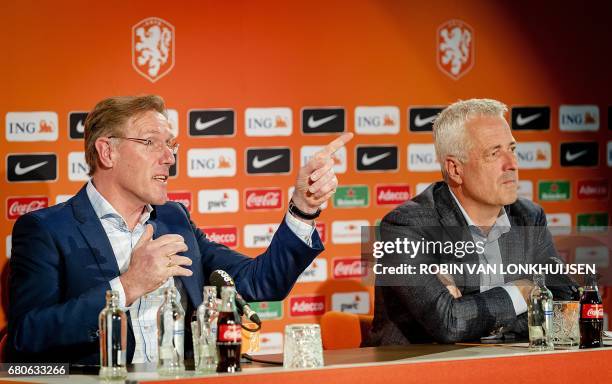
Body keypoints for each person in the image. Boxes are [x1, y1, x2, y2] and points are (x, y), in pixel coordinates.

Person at [7, 95, 352, 364]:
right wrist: (127, 287)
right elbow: (27, 336)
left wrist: (302, 209)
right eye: (151, 143)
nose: (170, 158)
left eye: (172, 146)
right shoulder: (46, 230)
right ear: (107, 151)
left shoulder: (174, 219)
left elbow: (261, 280)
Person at [366, 98, 577, 345]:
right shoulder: (408, 227)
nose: (512, 164)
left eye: (512, 149)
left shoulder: (528, 217)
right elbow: (449, 323)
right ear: (455, 169)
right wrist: (524, 290)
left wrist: (475, 314)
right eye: (494, 153)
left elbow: (564, 303)